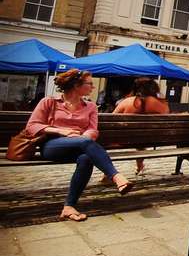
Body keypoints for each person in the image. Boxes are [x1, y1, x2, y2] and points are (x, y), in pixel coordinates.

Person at [25, 69, 134, 222]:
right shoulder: (49, 102)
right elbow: (32, 126)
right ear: (76, 85)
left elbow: (92, 130)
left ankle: (69, 207)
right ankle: (116, 177)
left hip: (80, 145)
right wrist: (62, 131)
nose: (93, 87)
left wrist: (82, 137)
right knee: (86, 143)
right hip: (51, 146)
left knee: (86, 158)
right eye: (90, 83)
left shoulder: (90, 107)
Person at [113, 77, 169, 176]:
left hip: (124, 139)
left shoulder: (127, 101)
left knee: (136, 138)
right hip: (150, 139)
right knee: (141, 140)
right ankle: (139, 166)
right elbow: (167, 115)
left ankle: (107, 173)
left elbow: (113, 119)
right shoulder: (158, 103)